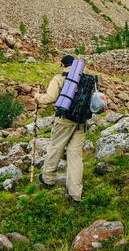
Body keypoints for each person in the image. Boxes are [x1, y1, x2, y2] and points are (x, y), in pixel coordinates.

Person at [34, 54, 85, 202]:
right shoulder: (84, 78)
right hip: (81, 121)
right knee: (75, 155)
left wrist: (38, 96)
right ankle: (76, 193)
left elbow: (50, 98)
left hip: (64, 119)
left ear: (63, 65)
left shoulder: (59, 78)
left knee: (56, 147)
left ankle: (48, 178)